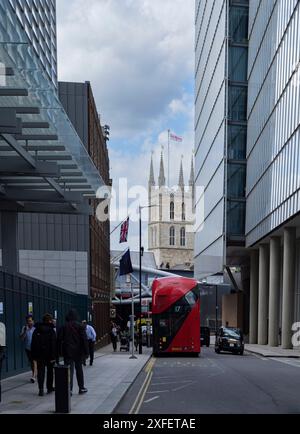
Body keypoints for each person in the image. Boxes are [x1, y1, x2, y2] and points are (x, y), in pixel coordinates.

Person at [57, 309, 89, 395]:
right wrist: (86, 352)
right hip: (78, 352)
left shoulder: (63, 327)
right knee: (79, 369)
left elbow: (59, 340)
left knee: (69, 371)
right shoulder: (80, 326)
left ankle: (69, 389)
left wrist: (59, 352)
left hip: (67, 351)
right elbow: (84, 340)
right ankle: (81, 388)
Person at [31, 313, 57, 397]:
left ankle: (41, 389)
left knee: (41, 371)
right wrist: (54, 356)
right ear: (49, 320)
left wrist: (34, 355)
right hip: (49, 354)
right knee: (50, 371)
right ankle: (49, 388)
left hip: (39, 354)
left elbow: (33, 343)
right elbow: (53, 344)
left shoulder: (36, 330)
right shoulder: (51, 330)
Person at [20, 315, 37, 383]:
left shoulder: (35, 328)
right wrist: (25, 331)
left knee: (34, 361)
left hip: (35, 348)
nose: (29, 322)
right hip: (28, 348)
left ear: (33, 321)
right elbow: (21, 338)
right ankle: (35, 374)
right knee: (32, 363)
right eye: (27, 321)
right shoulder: (24, 328)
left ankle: (34, 376)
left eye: (30, 321)